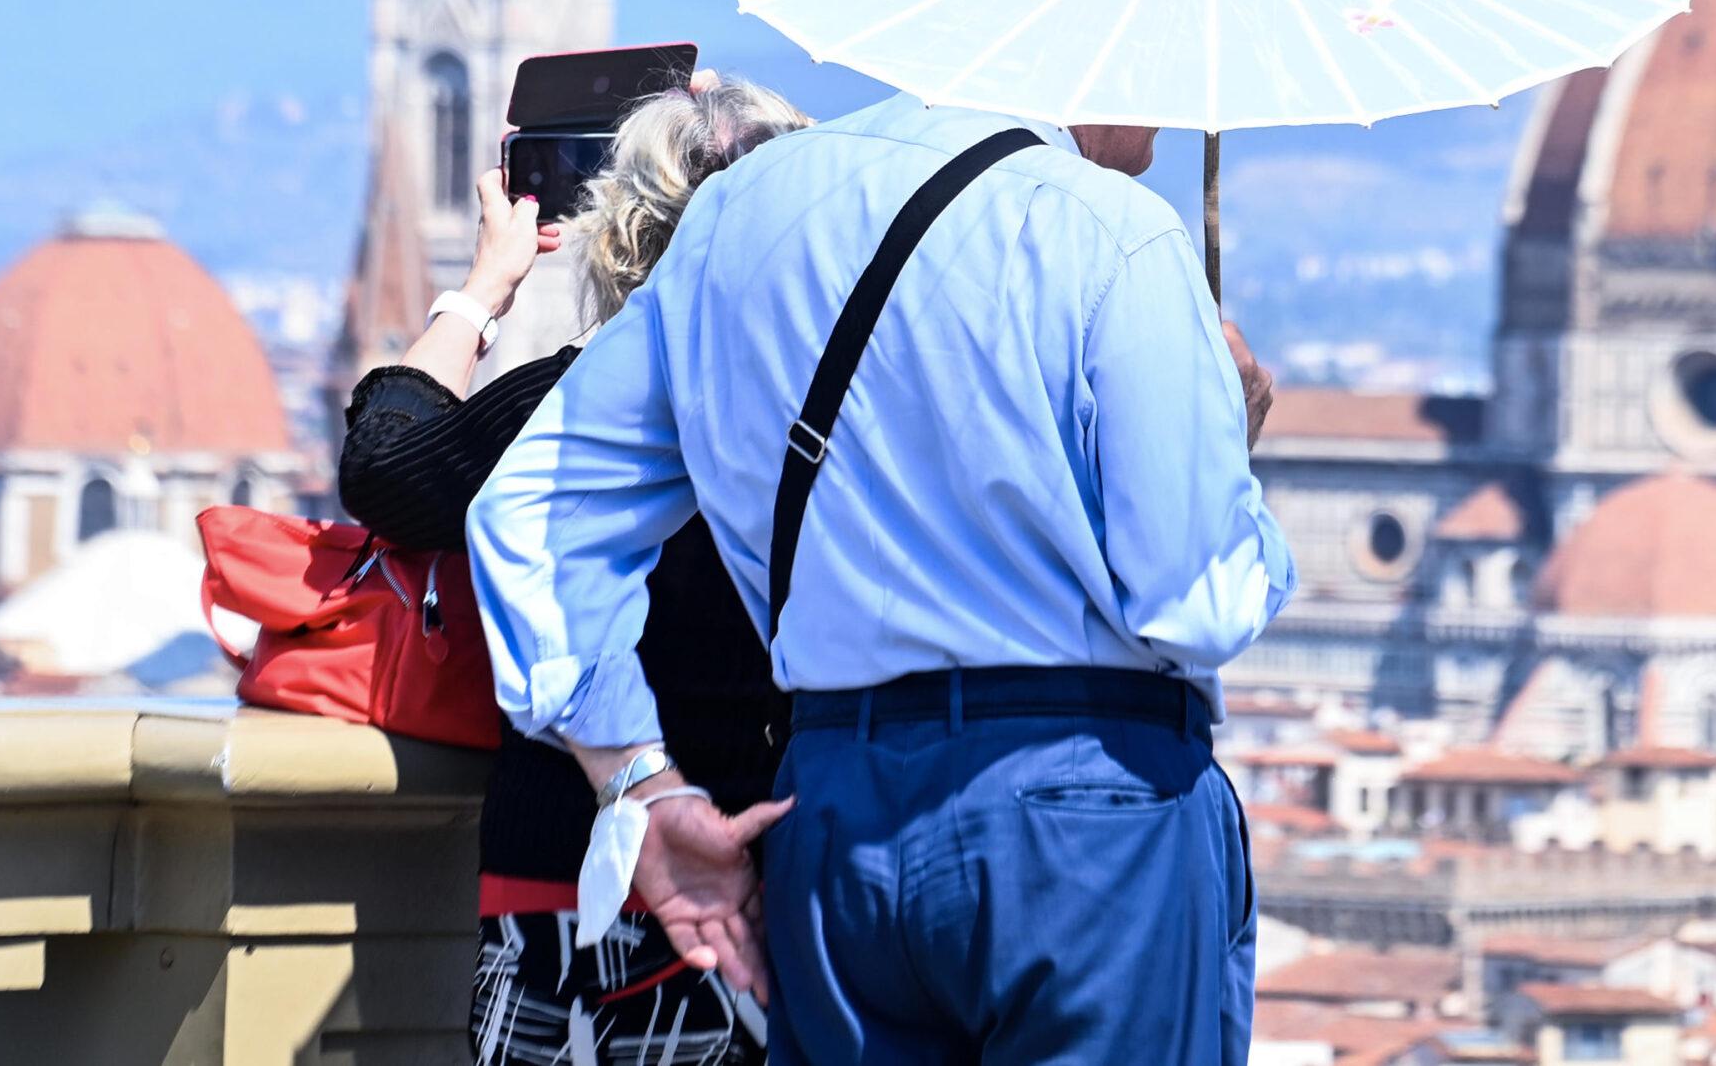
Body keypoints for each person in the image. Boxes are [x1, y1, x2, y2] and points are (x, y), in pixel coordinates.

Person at [469, 92, 1293, 1064]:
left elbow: (534, 508)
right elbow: (1197, 605)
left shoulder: (743, 215)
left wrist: (634, 781)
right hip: (1084, 815)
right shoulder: (1119, 237)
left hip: (838, 811)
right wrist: (1224, 451)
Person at [337, 71, 806, 1066]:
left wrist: (481, 291)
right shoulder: (826, 409)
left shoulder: (585, 409)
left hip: (574, 879)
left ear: (623, 229)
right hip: (772, 862)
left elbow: (388, 471)